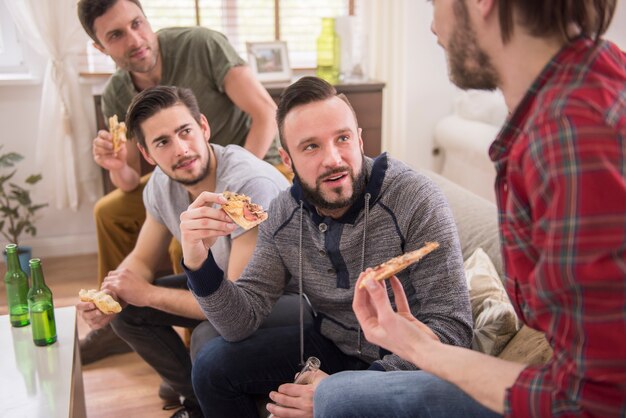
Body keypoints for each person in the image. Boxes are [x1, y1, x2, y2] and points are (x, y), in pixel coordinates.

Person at [314, 1, 626, 417]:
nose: (431, 25)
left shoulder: (568, 137)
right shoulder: (600, 73)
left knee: (336, 400)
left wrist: (426, 352)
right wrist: (418, 348)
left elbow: (592, 401)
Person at [181, 76, 474, 418]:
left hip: (408, 359)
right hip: (333, 345)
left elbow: (453, 329)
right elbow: (238, 321)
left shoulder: (416, 199)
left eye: (343, 139)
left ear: (360, 138)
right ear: (287, 160)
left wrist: (345, 390)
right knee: (211, 367)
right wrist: (197, 258)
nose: (333, 159)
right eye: (311, 147)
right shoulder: (282, 214)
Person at [77, 0, 284, 364]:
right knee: (109, 212)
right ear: (100, 48)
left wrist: (227, 195)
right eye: (116, 35)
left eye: (137, 23)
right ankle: (185, 384)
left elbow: (266, 112)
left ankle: (197, 344)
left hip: (247, 162)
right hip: (183, 175)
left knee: (184, 249)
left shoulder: (201, 45)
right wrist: (118, 291)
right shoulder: (116, 93)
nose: (135, 39)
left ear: (201, 126)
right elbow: (127, 183)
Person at [77, 86, 292, 418]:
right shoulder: (161, 185)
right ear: (147, 154)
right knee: (125, 310)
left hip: (282, 301)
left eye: (185, 132)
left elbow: (238, 307)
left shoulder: (248, 186)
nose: (181, 149)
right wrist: (111, 293)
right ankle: (197, 401)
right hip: (224, 289)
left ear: (203, 127)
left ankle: (216, 399)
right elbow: (142, 259)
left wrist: (146, 293)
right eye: (162, 142)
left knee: (208, 333)